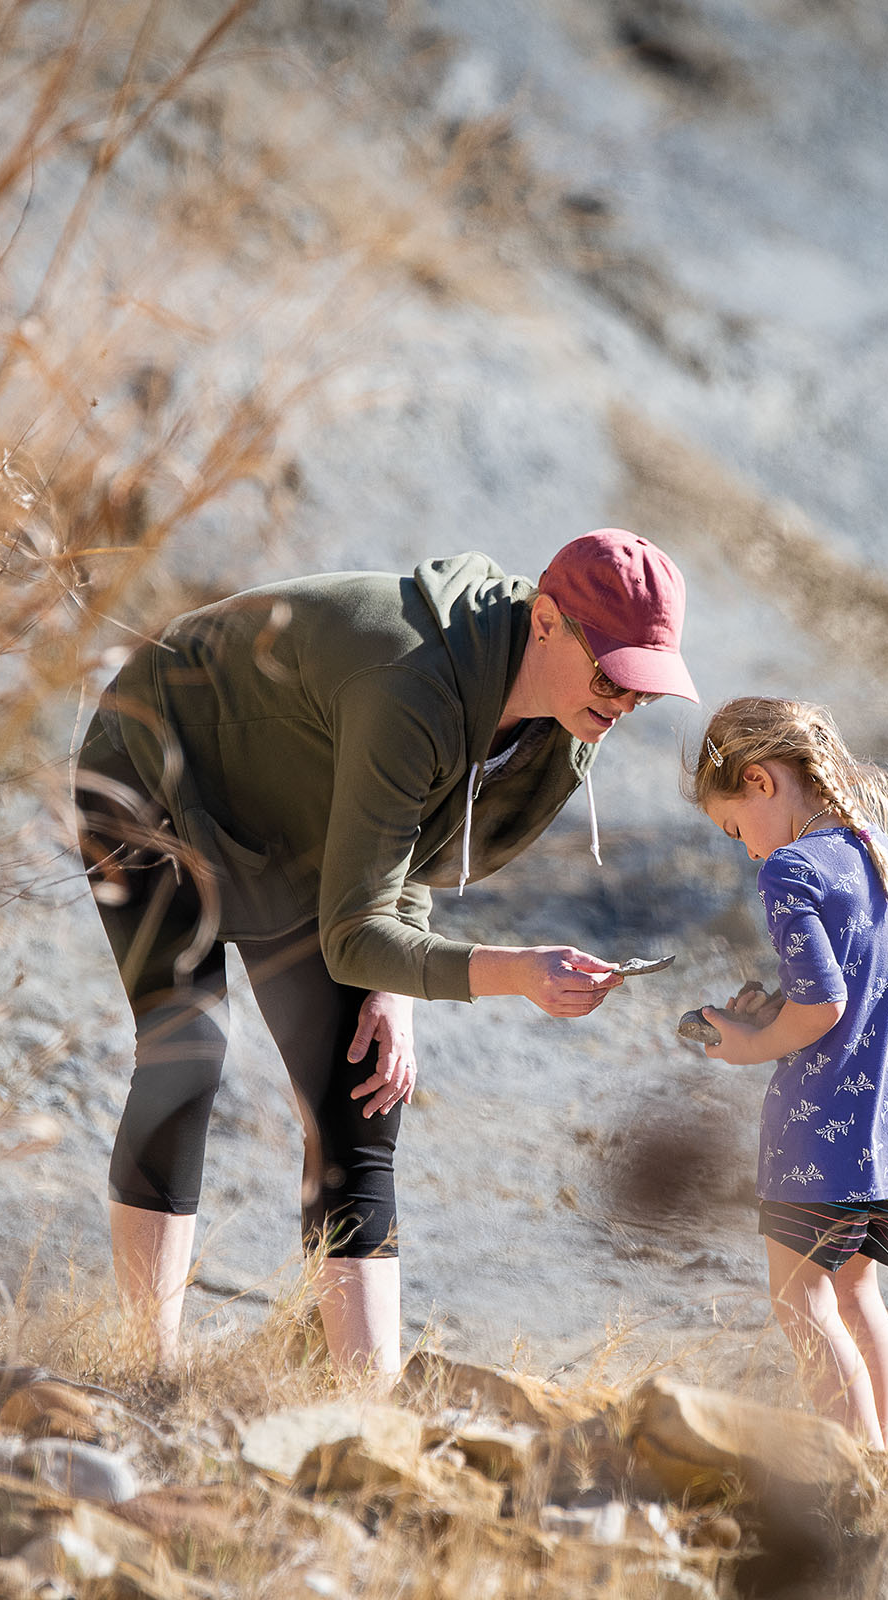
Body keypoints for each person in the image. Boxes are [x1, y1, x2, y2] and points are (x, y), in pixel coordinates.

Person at [75, 531, 698, 1379]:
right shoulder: (411, 680)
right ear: (545, 622)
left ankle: (361, 1405)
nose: (625, 703)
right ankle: (145, 1372)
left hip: (293, 813)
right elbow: (353, 931)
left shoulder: (557, 718)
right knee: (187, 1050)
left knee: (362, 1090)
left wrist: (395, 989)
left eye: (645, 690)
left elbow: (410, 835)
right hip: (150, 767)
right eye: (613, 675)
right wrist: (510, 973)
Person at [684, 697, 888, 1449]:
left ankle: (861, 1472)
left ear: (759, 782)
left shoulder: (790, 868)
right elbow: (852, 992)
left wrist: (746, 1045)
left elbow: (822, 1006)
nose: (749, 852)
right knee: (859, 1296)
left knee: (801, 1303)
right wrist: (770, 1011)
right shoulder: (876, 850)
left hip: (817, 1135)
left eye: (735, 830)